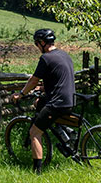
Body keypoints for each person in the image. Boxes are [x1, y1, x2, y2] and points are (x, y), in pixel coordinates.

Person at [13, 28, 75, 173]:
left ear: (42, 43)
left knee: (35, 132)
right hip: (70, 100)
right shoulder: (64, 55)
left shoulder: (46, 58)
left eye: (36, 44)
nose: (37, 47)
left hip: (57, 104)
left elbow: (34, 80)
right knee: (41, 105)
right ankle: (67, 137)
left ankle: (37, 171)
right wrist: (42, 89)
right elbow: (57, 80)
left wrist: (21, 94)